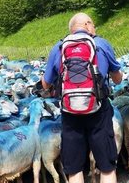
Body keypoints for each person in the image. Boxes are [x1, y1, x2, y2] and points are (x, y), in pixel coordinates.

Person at [41, 12, 123, 183]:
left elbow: (45, 84)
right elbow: (117, 78)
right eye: (93, 24)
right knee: (107, 166)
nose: (94, 28)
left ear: (71, 30)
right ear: (87, 25)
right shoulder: (101, 44)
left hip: (70, 113)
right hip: (99, 110)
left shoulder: (59, 47)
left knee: (74, 168)